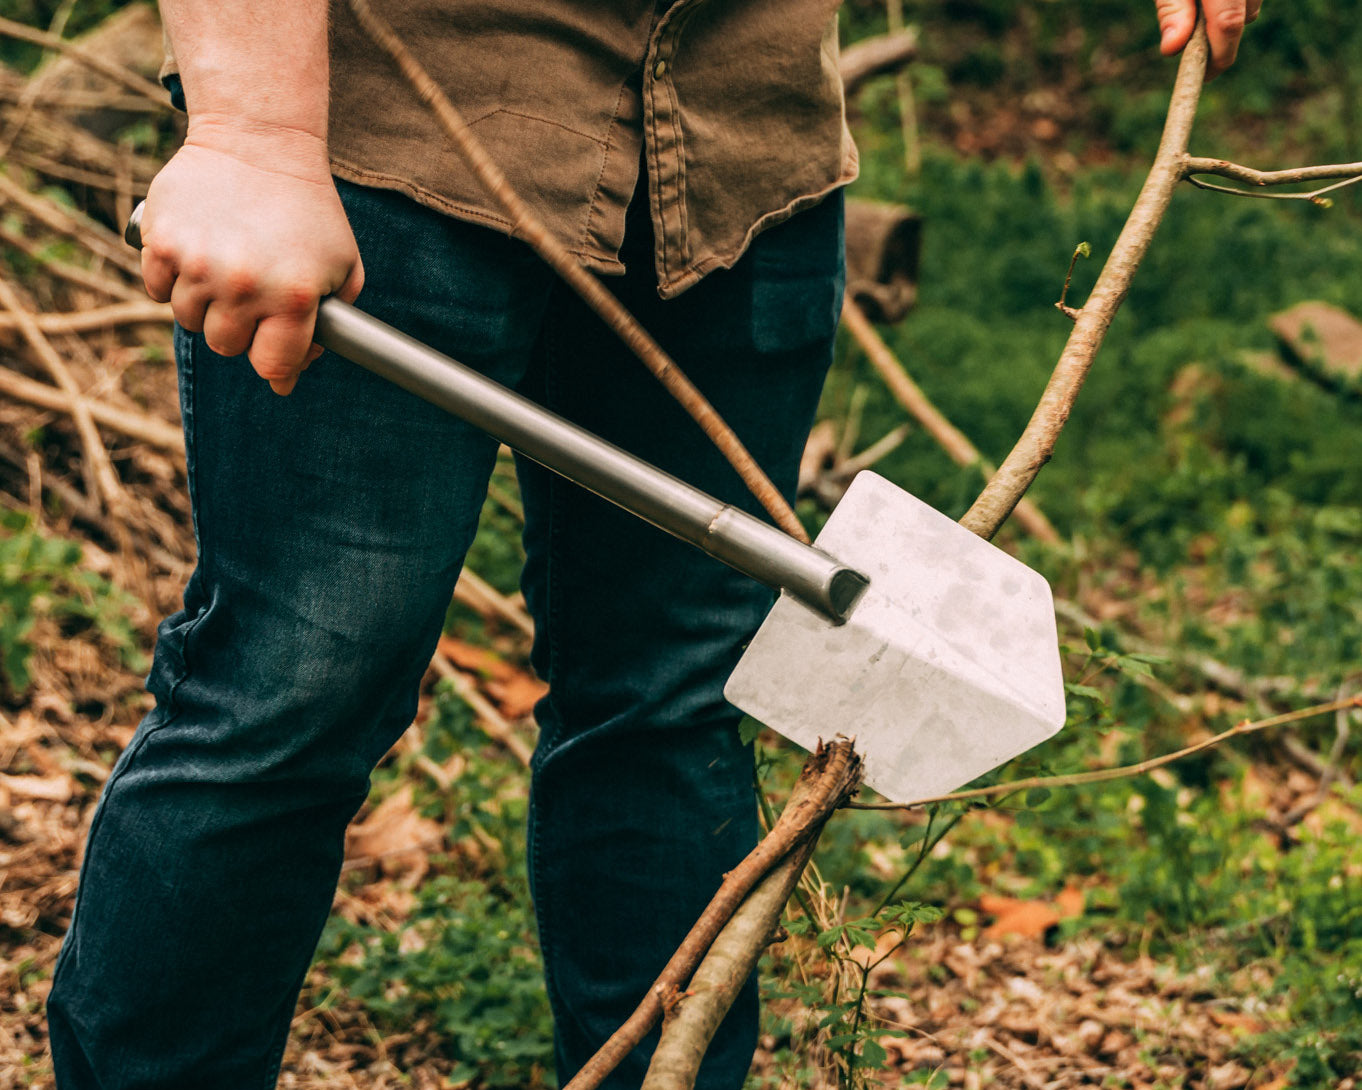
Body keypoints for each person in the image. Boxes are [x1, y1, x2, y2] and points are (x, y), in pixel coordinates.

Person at [45, 2, 1255, 1088]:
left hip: (743, 157)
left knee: (672, 711)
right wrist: (253, 133)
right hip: (395, 144)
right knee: (292, 694)